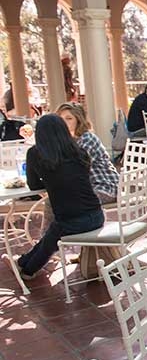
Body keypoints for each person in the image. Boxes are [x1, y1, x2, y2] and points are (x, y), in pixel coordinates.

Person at [16, 115, 104, 280]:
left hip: (71, 221)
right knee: (52, 233)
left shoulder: (35, 154)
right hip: (97, 214)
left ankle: (28, 270)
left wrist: (49, 180)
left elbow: (34, 186)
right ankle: (23, 261)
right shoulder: (79, 151)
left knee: (52, 237)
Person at [56, 103, 119, 204]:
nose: (64, 122)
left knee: (64, 202)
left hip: (104, 187)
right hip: (88, 188)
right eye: (61, 119)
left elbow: (75, 169)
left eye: (69, 118)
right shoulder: (70, 140)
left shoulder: (87, 139)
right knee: (55, 201)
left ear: (79, 120)